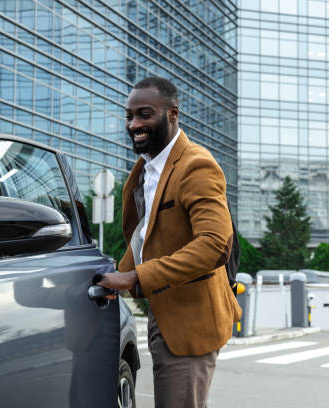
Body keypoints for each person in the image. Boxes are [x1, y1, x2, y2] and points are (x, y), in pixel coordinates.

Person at [97, 77, 242, 407]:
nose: (134, 124)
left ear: (172, 113)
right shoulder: (147, 169)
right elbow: (145, 238)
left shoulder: (195, 164)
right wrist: (111, 277)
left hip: (191, 323)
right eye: (129, 116)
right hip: (162, 312)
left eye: (145, 115)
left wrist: (136, 278)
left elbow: (215, 244)